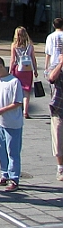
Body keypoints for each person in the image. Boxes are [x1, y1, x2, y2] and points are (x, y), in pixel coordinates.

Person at [0, 55, 24, 191]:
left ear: (1, 66)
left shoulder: (14, 82)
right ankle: (4, 174)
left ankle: (14, 178)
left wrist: (2, 110)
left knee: (12, 150)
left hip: (13, 122)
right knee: (0, 149)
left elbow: (18, 103)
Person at [9, 26, 38, 118]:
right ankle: (25, 111)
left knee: (16, 89)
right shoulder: (30, 45)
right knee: (27, 91)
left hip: (18, 68)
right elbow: (33, 59)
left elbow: (12, 60)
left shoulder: (14, 45)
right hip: (28, 69)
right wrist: (35, 70)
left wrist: (10, 70)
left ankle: (15, 108)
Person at [47, 54, 63, 182]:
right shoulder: (55, 66)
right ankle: (60, 168)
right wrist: (61, 64)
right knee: (58, 141)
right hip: (59, 109)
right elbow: (51, 78)